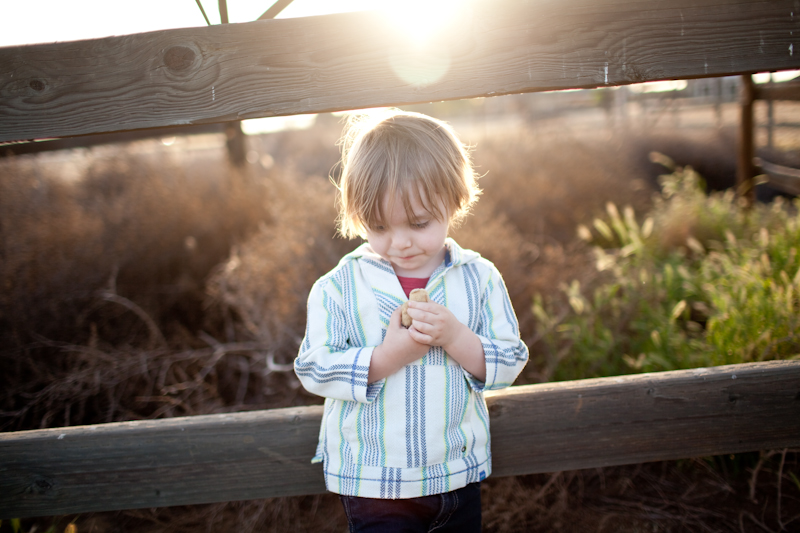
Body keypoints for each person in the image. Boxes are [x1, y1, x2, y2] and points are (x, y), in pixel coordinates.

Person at [294, 109, 529, 532]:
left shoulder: (479, 278)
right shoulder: (338, 287)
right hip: (374, 483)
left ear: (455, 201)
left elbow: (510, 359)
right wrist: (388, 357)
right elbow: (313, 367)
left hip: (457, 476)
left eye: (419, 224)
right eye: (378, 226)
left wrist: (455, 336)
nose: (400, 242)